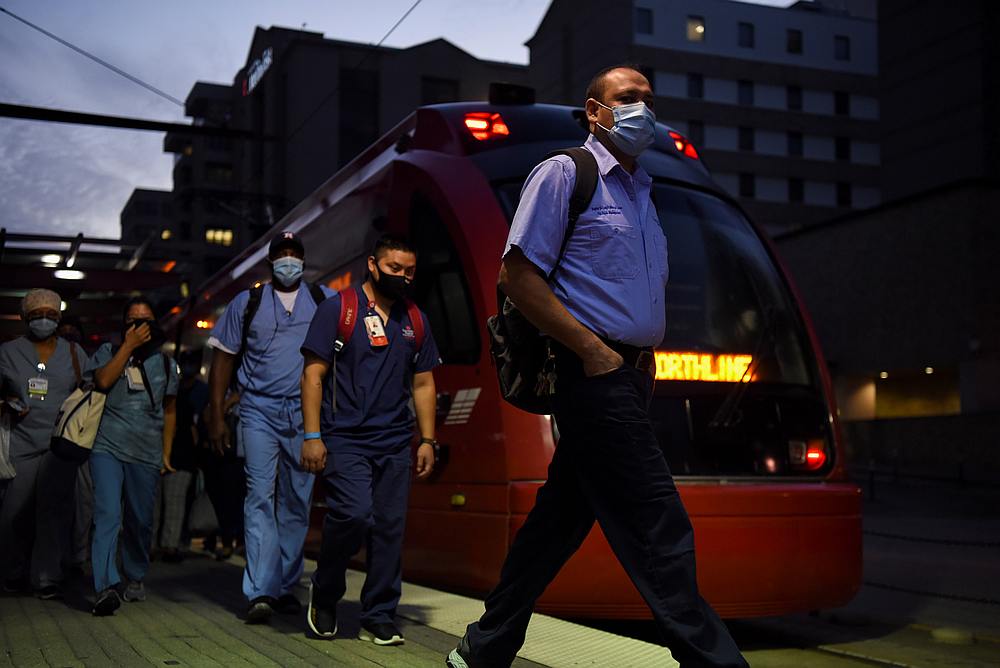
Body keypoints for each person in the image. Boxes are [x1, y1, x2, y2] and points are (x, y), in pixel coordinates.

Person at [446, 66, 747, 668]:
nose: (643, 110)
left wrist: (633, 361)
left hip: (630, 375)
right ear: (595, 111)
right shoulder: (565, 174)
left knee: (556, 524)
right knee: (657, 521)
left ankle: (483, 650)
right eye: (627, 99)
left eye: (649, 101)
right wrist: (593, 350)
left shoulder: (644, 192)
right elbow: (518, 276)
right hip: (594, 374)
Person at [300, 234, 440, 645]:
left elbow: (424, 382)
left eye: (409, 271)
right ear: (374, 266)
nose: (402, 276)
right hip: (344, 438)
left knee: (389, 529)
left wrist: (428, 440)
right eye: (394, 268)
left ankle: (378, 614)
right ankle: (325, 593)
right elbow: (313, 375)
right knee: (354, 514)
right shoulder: (338, 309)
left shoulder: (414, 318)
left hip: (396, 441)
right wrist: (312, 436)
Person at [206, 231, 333, 624]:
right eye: (282, 254)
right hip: (257, 411)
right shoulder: (248, 302)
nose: (289, 261)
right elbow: (223, 359)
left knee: (296, 501)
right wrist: (215, 415)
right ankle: (261, 590)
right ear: (270, 261)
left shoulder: (324, 299)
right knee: (259, 495)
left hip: (304, 414)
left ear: (304, 260)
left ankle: (285, 584)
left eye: (295, 254)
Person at [87, 296, 178, 616]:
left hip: (146, 452)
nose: (139, 325)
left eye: (146, 320)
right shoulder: (108, 353)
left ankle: (135, 575)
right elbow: (102, 381)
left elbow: (169, 410)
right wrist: (126, 347)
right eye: (132, 320)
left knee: (139, 519)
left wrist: (166, 452)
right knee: (108, 513)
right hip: (106, 447)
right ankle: (105, 586)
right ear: (123, 325)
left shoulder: (166, 363)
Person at [0, 289, 86, 600]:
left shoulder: (73, 353)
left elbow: (88, 390)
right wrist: (6, 400)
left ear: (59, 318)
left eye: (51, 315)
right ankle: (12, 572)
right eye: (37, 315)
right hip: (21, 442)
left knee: (54, 513)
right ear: (25, 319)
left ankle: (47, 576)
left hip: (60, 443)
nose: (45, 320)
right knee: (14, 513)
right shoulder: (8, 352)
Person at [152, 350, 206, 562]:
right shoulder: (183, 399)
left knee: (157, 505)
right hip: (176, 458)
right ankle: (168, 546)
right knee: (171, 504)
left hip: (174, 458)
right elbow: (193, 433)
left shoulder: (163, 398)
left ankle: (155, 546)